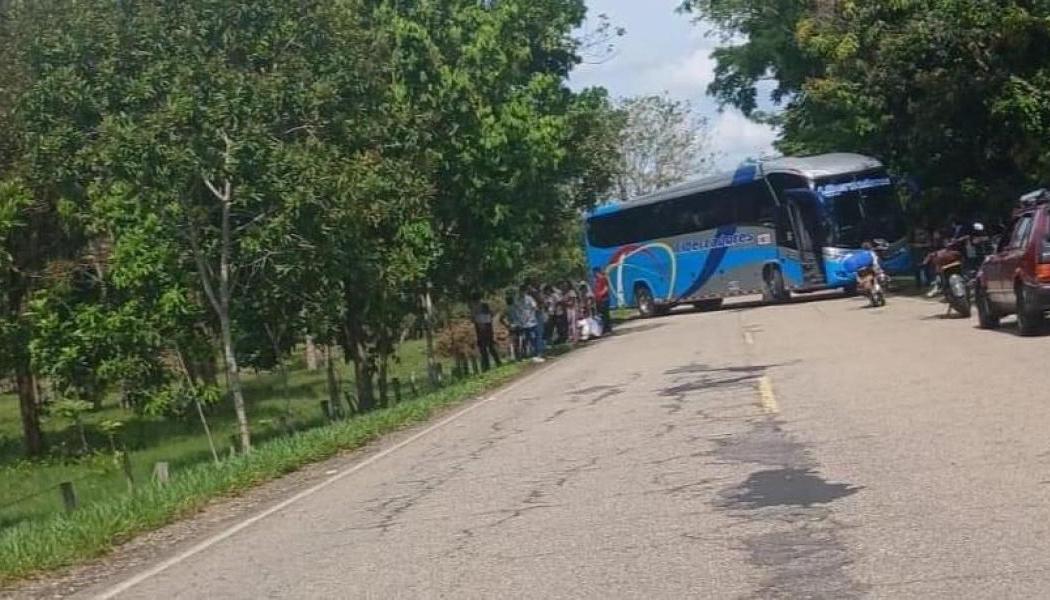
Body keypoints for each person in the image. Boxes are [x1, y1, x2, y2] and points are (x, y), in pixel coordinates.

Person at [471, 295, 501, 371]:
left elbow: (475, 318)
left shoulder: (480, 306)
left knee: (488, 347)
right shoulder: (480, 306)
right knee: (485, 348)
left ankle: (493, 364)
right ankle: (491, 364)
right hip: (484, 328)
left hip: (484, 328)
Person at [514, 285, 544, 362]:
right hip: (523, 323)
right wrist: (519, 320)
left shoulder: (529, 299)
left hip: (532, 322)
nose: (522, 293)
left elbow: (535, 308)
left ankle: (538, 353)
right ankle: (528, 354)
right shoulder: (517, 300)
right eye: (521, 291)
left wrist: (531, 315)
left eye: (523, 291)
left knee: (535, 337)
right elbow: (517, 311)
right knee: (526, 339)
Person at [592, 267, 613, 334]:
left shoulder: (603, 278)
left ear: (597, 272)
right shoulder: (596, 280)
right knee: (601, 315)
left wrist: (601, 293)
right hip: (598, 300)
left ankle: (608, 328)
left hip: (604, 299)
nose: (594, 274)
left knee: (606, 314)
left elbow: (606, 288)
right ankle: (604, 328)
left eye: (594, 272)